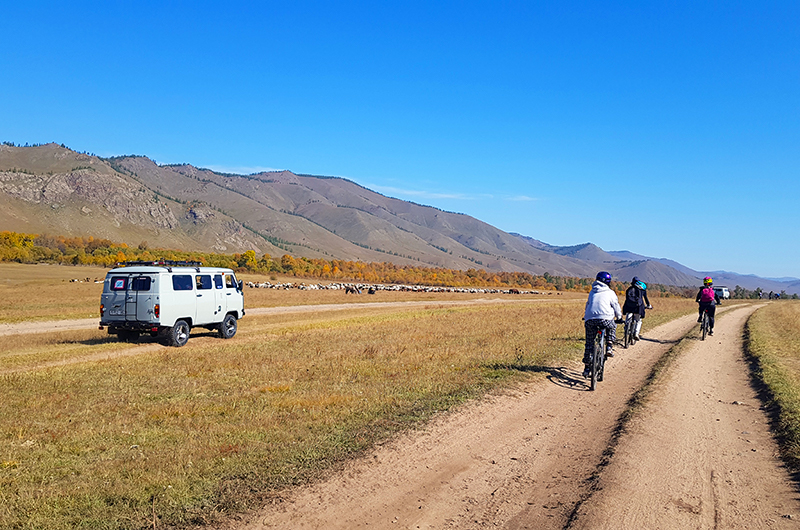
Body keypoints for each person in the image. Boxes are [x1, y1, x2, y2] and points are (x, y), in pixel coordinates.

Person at [583, 271, 623, 378]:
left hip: (590, 319)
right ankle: (609, 345)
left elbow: (588, 305)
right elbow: (615, 306)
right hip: (606, 319)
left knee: (589, 343)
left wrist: (586, 316)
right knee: (612, 326)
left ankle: (587, 367)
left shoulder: (592, 291)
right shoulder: (610, 292)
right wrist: (619, 317)